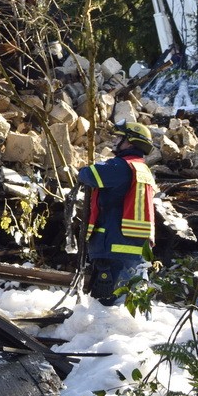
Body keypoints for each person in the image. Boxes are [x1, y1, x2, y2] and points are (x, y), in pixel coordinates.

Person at [77, 119, 158, 306]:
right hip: (136, 248)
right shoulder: (143, 169)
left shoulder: (122, 166)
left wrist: (80, 172)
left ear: (130, 141)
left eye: (120, 138)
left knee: (109, 305)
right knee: (132, 301)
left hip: (114, 246)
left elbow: (89, 175)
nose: (115, 142)